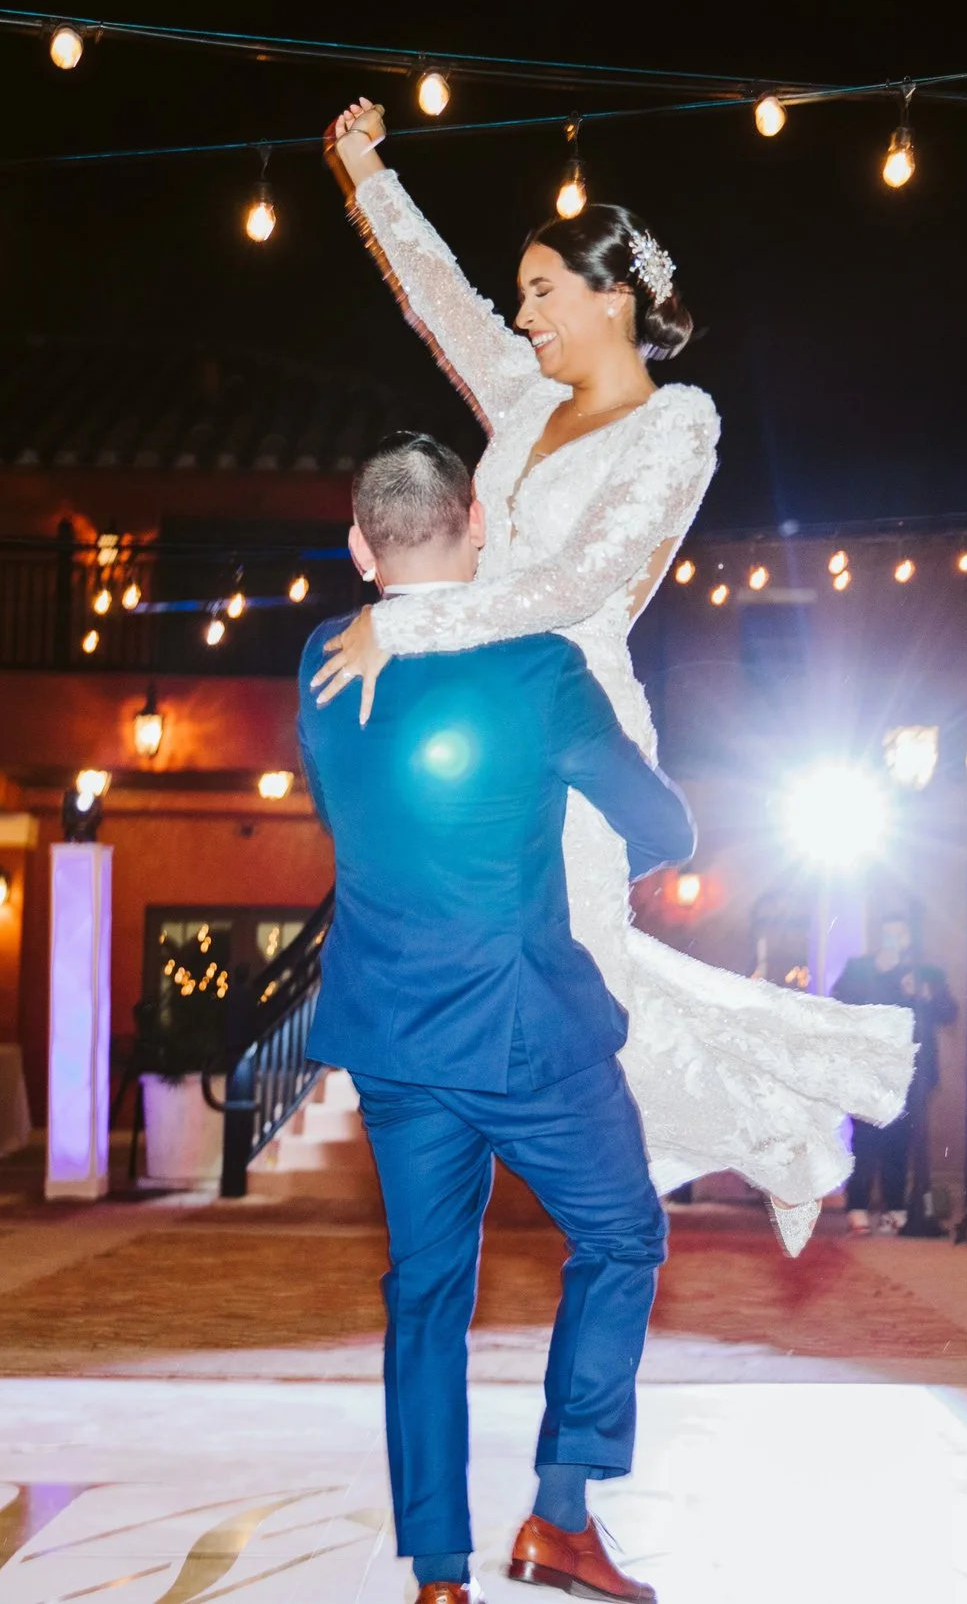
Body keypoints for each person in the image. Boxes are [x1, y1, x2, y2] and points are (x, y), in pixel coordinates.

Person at [314, 99, 915, 1255]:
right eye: (522, 294)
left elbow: (579, 582)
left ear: (612, 299)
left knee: (588, 981)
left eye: (543, 291)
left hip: (574, 716)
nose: (522, 314)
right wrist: (362, 169)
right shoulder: (524, 397)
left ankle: (762, 1131)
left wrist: (411, 627)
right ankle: (767, 1120)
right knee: (529, 964)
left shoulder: (675, 424)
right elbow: (438, 292)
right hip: (482, 721)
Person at [298, 434, 696, 1604]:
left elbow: (347, 796)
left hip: (390, 1032)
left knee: (425, 1295)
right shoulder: (540, 668)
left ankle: (438, 1575)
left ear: (359, 543)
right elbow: (663, 828)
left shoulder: (322, 659)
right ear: (478, 521)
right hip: (525, 1030)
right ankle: (559, 1518)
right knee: (621, 1236)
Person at [830, 911, 956, 1234]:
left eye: (899, 935)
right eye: (888, 934)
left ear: (909, 938)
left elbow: (949, 1012)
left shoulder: (926, 973)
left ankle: (895, 1208)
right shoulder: (860, 968)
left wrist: (923, 993)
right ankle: (857, 1206)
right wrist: (876, 975)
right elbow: (840, 1001)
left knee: (899, 1141)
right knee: (865, 1139)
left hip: (911, 1071)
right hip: (868, 1069)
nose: (893, 941)